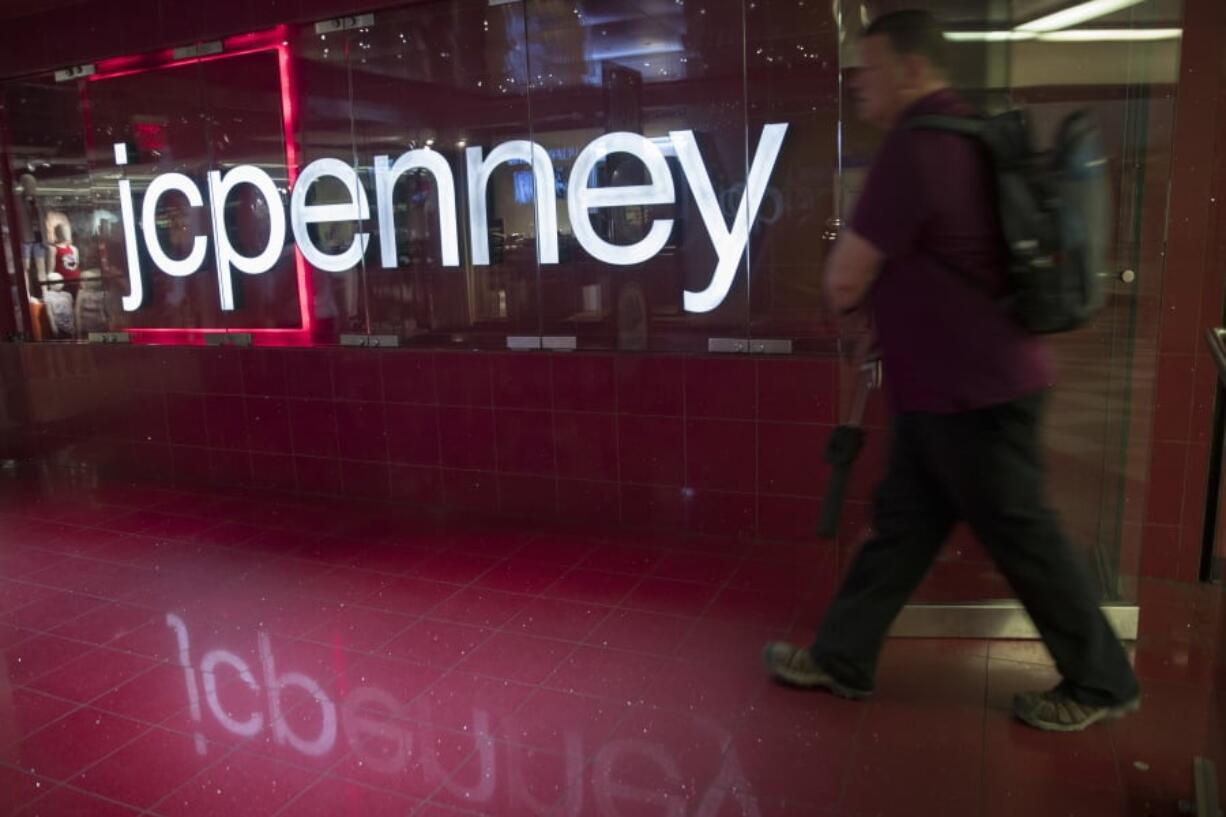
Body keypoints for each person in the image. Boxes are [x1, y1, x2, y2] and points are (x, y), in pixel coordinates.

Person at [761, 9, 1140, 732]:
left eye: (867, 69)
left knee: (1024, 537)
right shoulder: (971, 134)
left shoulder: (915, 148)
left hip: (975, 394)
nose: (857, 84)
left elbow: (844, 280)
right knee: (903, 526)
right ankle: (842, 657)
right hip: (953, 390)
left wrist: (847, 272)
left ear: (910, 67)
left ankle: (1101, 680)